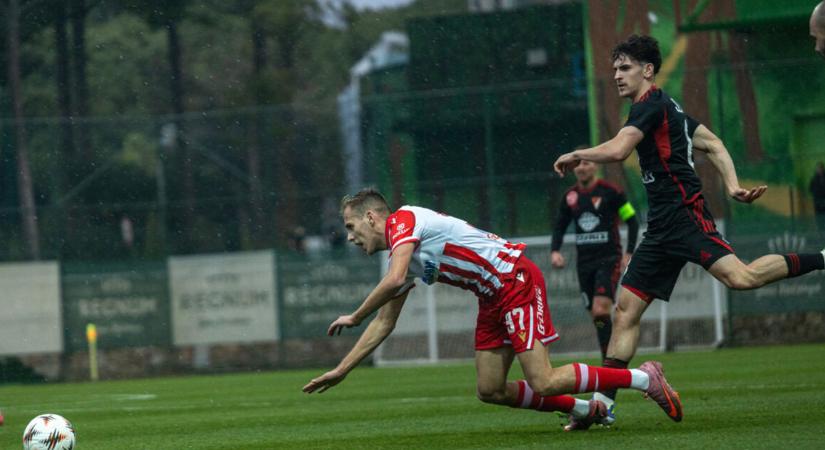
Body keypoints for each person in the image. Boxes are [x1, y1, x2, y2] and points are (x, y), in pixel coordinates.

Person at [553, 34, 825, 430]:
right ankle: (601, 406)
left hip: (686, 216)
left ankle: (821, 258)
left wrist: (578, 153)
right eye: (614, 68)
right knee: (625, 311)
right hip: (661, 227)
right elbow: (713, 144)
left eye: (625, 67)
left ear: (647, 70)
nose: (616, 75)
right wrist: (731, 185)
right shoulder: (669, 109)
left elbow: (618, 151)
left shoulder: (650, 105)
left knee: (742, 278)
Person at [303, 188, 684, 429]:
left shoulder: (404, 220)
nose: (351, 237)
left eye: (352, 226)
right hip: (491, 297)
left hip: (513, 279)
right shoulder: (402, 261)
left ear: (372, 217)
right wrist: (342, 369)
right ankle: (587, 410)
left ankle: (643, 379)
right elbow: (385, 323)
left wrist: (354, 315)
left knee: (544, 380)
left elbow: (389, 284)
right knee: (490, 389)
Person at [550, 158, 639, 363]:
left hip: (608, 259)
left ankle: (609, 361)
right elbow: (560, 226)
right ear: (574, 170)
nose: (582, 167)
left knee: (600, 310)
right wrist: (555, 250)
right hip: (584, 264)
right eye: (578, 164)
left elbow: (632, 221)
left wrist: (629, 253)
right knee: (598, 317)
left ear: (595, 167)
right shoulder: (570, 197)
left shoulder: (612, 192)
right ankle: (609, 356)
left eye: (586, 163)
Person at [810, 162, 825, 233]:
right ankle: (820, 231)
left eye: (821, 168)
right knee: (818, 217)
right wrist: (816, 195)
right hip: (817, 201)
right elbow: (810, 189)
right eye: (818, 168)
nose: (820, 170)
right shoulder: (814, 179)